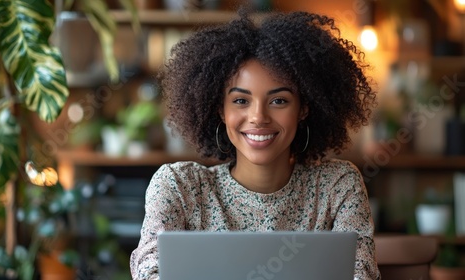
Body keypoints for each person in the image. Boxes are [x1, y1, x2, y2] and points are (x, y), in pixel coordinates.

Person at [130, 8, 380, 280]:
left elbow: (360, 274)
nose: (258, 117)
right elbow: (149, 271)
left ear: (304, 108)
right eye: (240, 101)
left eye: (279, 101)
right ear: (220, 110)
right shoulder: (179, 187)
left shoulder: (337, 186)